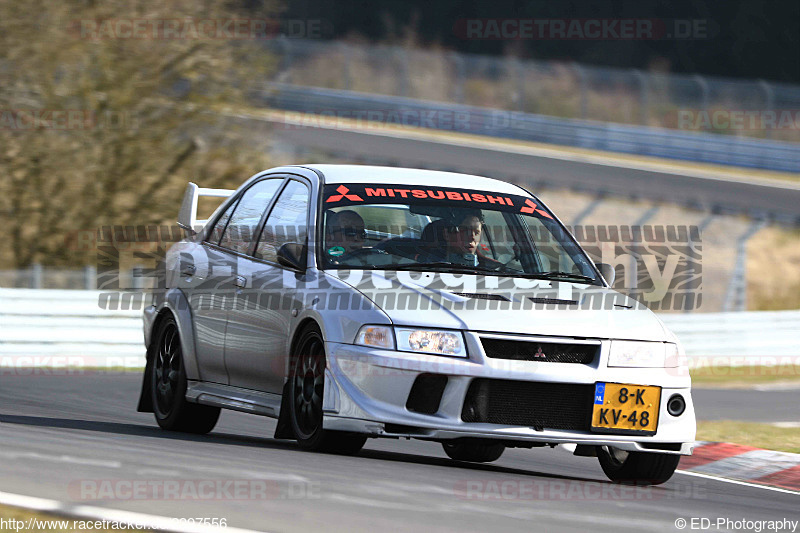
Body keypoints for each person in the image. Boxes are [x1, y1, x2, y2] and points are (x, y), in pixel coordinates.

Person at [419, 210, 502, 269]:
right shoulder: (422, 265)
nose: (472, 237)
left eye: (477, 232)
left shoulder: (495, 269)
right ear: (446, 234)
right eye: (465, 231)